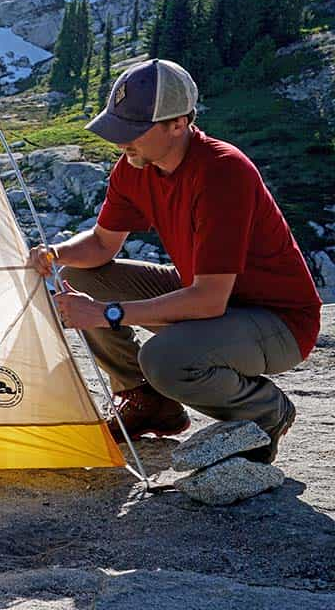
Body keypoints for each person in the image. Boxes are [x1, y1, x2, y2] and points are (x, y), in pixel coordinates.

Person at [28, 58, 321, 462]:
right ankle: (148, 402)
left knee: (165, 359)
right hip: (211, 297)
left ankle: (266, 413)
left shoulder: (222, 172)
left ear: (178, 124)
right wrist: (55, 254)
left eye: (132, 131)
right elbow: (100, 244)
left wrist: (108, 314)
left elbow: (208, 301)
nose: (120, 142)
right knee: (84, 274)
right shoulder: (134, 166)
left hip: (276, 321)